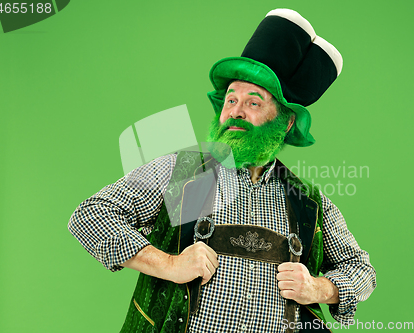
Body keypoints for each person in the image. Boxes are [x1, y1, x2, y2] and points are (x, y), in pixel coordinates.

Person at [68, 9, 376, 333]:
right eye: (230, 100)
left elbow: (360, 270)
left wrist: (318, 288)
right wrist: (170, 265)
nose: (235, 112)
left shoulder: (306, 201)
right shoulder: (187, 171)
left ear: (285, 123)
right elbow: (91, 216)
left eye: (253, 103)